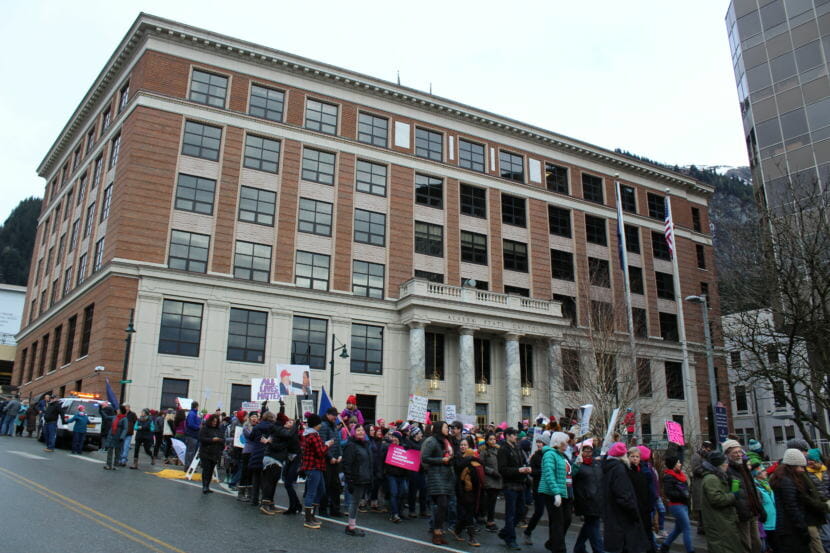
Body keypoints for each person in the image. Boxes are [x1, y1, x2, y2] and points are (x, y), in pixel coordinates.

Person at [602, 442, 648, 553]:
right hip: (623, 520)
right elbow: (623, 496)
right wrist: (634, 512)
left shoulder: (608, 468)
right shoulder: (619, 470)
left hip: (612, 516)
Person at [722, 439, 764, 553]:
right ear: (727, 454)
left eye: (740, 452)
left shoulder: (744, 467)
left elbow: (752, 487)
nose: (739, 455)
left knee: (757, 543)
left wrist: (759, 506)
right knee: (746, 544)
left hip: (752, 510)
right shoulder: (727, 471)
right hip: (740, 512)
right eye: (735, 453)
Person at [497, 427, 532, 550]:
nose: (515, 437)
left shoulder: (517, 448)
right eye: (513, 435)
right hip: (510, 485)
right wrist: (518, 470)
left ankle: (505, 532)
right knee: (510, 514)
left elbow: (523, 462)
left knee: (521, 512)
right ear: (507, 436)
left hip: (520, 484)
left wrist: (527, 467)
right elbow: (502, 469)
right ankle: (510, 539)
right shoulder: (503, 450)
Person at [770, 448, 812, 552]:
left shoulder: (783, 479)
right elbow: (792, 507)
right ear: (792, 466)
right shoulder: (787, 482)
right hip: (791, 530)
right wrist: (803, 528)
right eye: (800, 466)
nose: (803, 470)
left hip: (787, 529)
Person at [700, 450, 742, 553]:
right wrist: (733, 495)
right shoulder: (711, 479)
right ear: (719, 464)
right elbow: (717, 499)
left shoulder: (717, 476)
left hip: (722, 521)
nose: (727, 465)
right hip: (718, 522)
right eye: (725, 462)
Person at [421, 421, 456, 545]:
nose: (448, 429)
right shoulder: (432, 441)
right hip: (436, 477)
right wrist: (441, 460)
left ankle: (439, 532)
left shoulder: (446, 441)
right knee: (442, 505)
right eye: (446, 427)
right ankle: (436, 533)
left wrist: (450, 459)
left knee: (444, 506)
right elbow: (424, 458)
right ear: (439, 428)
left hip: (446, 476)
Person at [450, 436, 484, 547]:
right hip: (462, 489)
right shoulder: (457, 457)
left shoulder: (474, 457)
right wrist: (470, 458)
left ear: (469, 446)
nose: (463, 447)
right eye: (461, 445)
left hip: (473, 489)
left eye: (465, 445)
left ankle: (457, 530)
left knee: (467, 512)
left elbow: (481, 464)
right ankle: (472, 537)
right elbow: (459, 467)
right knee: (468, 513)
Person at [539, 431, 569, 553]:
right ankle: (559, 549)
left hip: (560, 492)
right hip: (551, 492)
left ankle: (552, 543)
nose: (567, 445)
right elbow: (549, 474)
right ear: (558, 443)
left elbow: (564, 475)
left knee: (565, 520)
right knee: (558, 522)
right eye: (565, 442)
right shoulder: (549, 455)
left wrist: (576, 465)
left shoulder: (560, 455)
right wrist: (556, 493)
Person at [301, 413, 332, 529]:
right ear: (315, 424)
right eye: (319, 423)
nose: (321, 425)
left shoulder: (310, 434)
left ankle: (312, 515)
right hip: (314, 467)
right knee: (312, 492)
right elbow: (320, 452)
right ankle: (308, 519)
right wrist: (327, 444)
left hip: (315, 467)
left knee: (320, 491)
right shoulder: (313, 435)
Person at [572, 441, 604, 553]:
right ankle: (599, 550)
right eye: (585, 450)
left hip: (597, 499)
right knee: (594, 525)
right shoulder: (577, 464)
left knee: (589, 525)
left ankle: (578, 548)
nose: (588, 453)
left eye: (590, 450)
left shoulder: (597, 463)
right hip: (585, 500)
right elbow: (572, 480)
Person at [342, 424, 372, 536]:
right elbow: (347, 464)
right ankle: (351, 526)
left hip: (364, 477)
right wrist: (349, 480)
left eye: (362, 430)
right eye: (358, 430)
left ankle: (352, 524)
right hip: (356, 478)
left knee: (356, 502)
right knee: (354, 502)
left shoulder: (365, 444)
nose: (360, 432)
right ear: (354, 432)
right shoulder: (351, 445)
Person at [659, 454, 693, 553]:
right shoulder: (669, 477)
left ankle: (665, 546)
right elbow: (669, 493)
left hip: (684, 504)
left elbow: (685, 489)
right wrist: (682, 494)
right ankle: (690, 550)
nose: (680, 464)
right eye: (678, 462)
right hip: (676, 506)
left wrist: (685, 494)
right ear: (674, 465)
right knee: (687, 528)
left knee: (678, 529)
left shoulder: (680, 475)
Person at [628, 446, 655, 553]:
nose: (635, 459)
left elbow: (648, 492)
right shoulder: (627, 472)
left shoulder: (643, 472)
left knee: (647, 534)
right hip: (634, 509)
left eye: (637, 457)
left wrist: (649, 506)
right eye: (632, 456)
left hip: (644, 509)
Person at [318, 407, 344, 517]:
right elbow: (323, 443)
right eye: (334, 415)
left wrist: (340, 455)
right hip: (327, 461)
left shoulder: (333, 426)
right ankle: (323, 509)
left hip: (335, 460)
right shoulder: (323, 426)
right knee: (326, 486)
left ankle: (335, 509)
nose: (335, 417)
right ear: (328, 415)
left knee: (336, 486)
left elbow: (337, 442)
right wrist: (330, 457)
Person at [382, 430, 409, 522]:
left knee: (402, 493)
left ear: (399, 439)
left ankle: (399, 511)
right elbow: (382, 460)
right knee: (394, 493)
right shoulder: (388, 447)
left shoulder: (404, 448)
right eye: (392, 437)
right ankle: (394, 514)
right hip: (391, 474)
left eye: (395, 437)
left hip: (402, 475)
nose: (393, 439)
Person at [479, 432, 502, 532]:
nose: (493, 441)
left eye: (494, 439)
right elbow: (481, 465)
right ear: (487, 441)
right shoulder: (484, 451)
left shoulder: (498, 450)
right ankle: (490, 521)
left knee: (492, 501)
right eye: (491, 439)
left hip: (498, 479)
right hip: (489, 479)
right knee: (490, 501)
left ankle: (486, 518)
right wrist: (491, 471)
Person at [751, 462, 776, 552]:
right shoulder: (756, 488)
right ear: (757, 475)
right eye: (763, 471)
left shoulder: (767, 485)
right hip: (765, 523)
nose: (766, 472)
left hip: (774, 521)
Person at [690, 441, 714, 535]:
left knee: (706, 507)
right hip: (699, 484)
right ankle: (702, 528)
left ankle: (704, 527)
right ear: (704, 447)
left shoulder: (707, 456)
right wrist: (708, 470)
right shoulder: (696, 456)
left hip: (706, 483)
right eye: (707, 448)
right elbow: (696, 469)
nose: (709, 450)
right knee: (701, 507)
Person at [198, 414, 224, 494]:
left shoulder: (218, 429)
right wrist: (212, 440)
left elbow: (223, 438)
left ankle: (207, 485)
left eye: (216, 422)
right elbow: (201, 438)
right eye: (213, 421)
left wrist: (220, 441)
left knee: (211, 470)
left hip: (215, 452)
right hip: (206, 451)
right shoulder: (205, 428)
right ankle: (204, 486)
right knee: (206, 469)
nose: (214, 423)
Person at [184, 401, 201, 468]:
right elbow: (191, 424)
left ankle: (189, 466)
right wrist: (198, 427)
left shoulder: (193, 414)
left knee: (191, 451)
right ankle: (188, 466)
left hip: (193, 435)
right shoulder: (192, 414)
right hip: (192, 435)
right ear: (196, 406)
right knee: (190, 452)